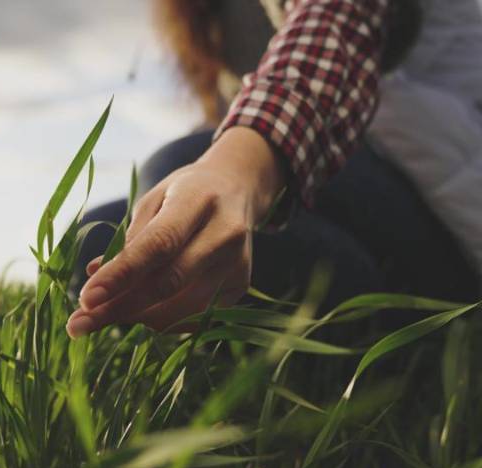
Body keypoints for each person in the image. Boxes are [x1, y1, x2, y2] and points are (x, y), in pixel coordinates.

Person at [66, 0, 482, 339]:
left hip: (439, 210)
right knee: (97, 234)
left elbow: (337, 21)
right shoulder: (205, 16)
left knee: (177, 164)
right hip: (326, 198)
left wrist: (233, 171)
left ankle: (406, 325)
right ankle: (339, 317)